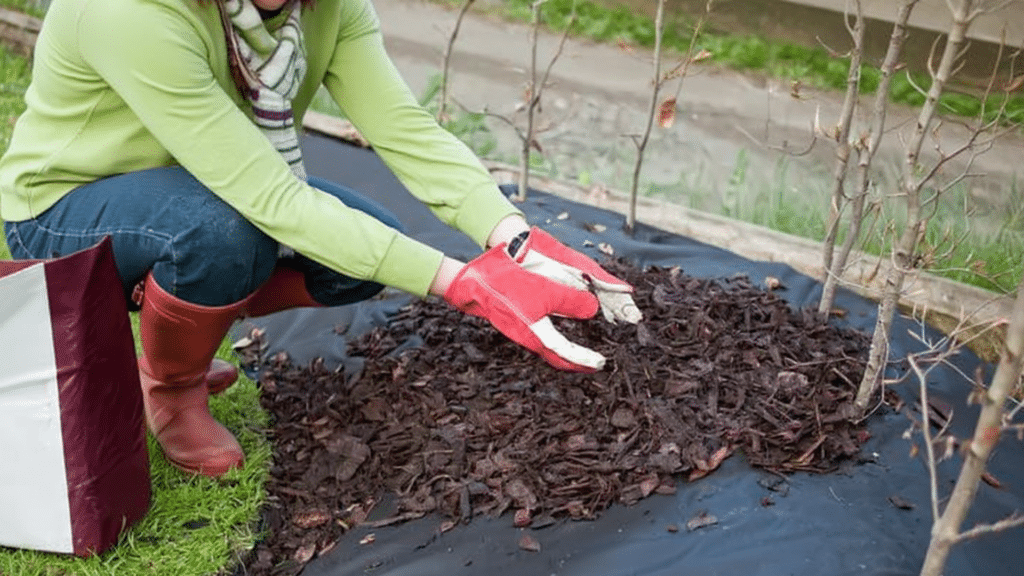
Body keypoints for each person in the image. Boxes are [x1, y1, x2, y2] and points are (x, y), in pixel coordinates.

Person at [0, 0, 640, 478]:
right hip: (63, 211)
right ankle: (169, 388)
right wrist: (463, 284)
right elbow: (270, 200)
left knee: (360, 258)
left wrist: (516, 239)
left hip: (210, 187)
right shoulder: (130, 11)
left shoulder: (329, 9)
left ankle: (173, 311)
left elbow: (405, 130)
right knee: (226, 235)